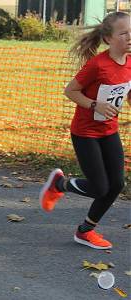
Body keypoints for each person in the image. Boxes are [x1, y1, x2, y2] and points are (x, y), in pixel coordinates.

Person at [39, 12, 131, 250]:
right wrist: (94, 104)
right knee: (100, 187)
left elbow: (127, 90)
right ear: (109, 39)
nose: (130, 37)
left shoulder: (130, 62)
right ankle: (59, 184)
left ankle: (85, 231)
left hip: (109, 131)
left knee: (117, 184)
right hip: (85, 133)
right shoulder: (98, 65)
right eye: (124, 33)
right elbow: (70, 91)